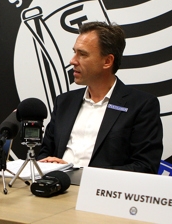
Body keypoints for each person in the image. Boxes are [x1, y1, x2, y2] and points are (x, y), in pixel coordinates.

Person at [36, 21, 163, 173]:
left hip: (103, 193)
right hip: (57, 189)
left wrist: (79, 173)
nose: (72, 61)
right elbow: (45, 152)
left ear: (107, 61)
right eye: (74, 52)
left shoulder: (141, 105)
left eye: (82, 54)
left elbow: (145, 166)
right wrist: (47, 164)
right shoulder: (64, 102)